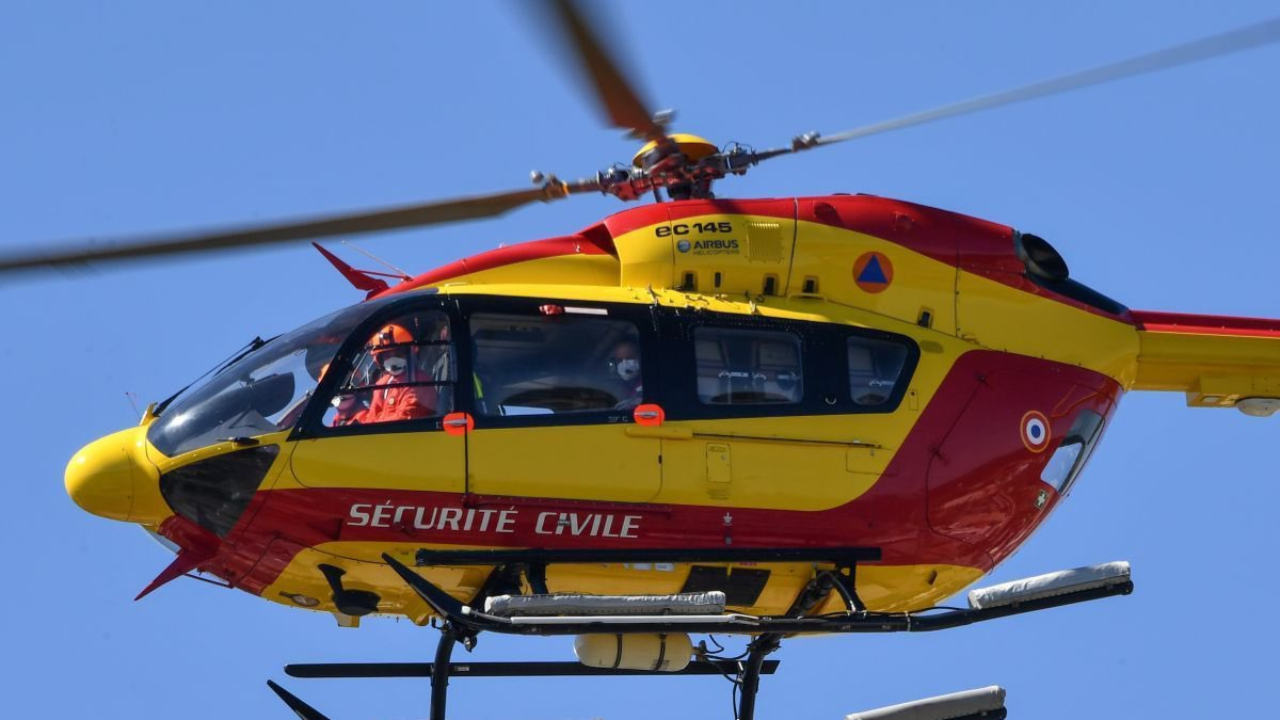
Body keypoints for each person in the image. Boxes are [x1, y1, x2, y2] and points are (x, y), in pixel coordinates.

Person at [363, 323, 436, 424]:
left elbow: (406, 417)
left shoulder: (418, 380)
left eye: (398, 353)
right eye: (387, 355)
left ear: (409, 353)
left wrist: (376, 425)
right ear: (379, 359)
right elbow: (371, 418)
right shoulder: (382, 384)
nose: (392, 359)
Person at [610, 339, 643, 410]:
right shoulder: (619, 387)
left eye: (629, 358)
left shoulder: (650, 384)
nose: (624, 364)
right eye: (620, 360)